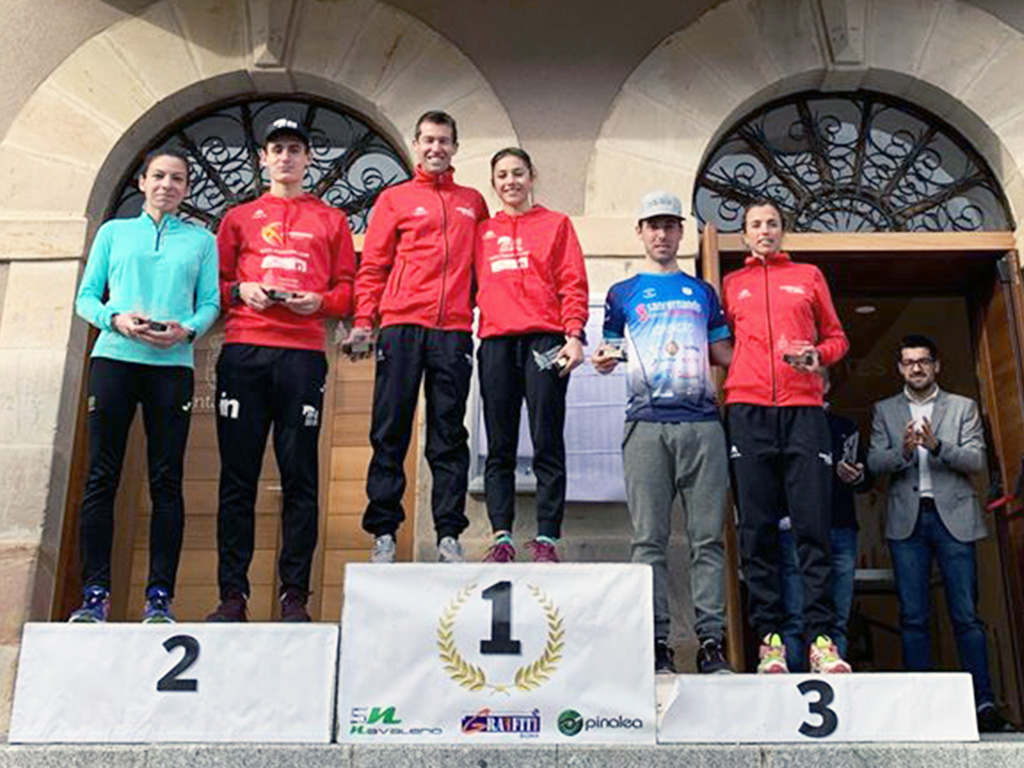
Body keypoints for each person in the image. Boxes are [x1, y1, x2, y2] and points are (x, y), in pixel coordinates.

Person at [206, 117, 355, 622]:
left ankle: (295, 595)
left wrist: (319, 301)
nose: (286, 157)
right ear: (263, 160)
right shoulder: (239, 217)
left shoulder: (332, 220)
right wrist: (236, 292)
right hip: (245, 350)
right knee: (237, 478)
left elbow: (347, 291)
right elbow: (213, 284)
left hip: (302, 356)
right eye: (277, 149)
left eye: (295, 149)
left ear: (309, 159)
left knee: (300, 478)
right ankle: (232, 594)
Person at [70, 147, 219, 622]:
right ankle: (94, 594)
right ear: (142, 182)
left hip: (171, 367)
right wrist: (115, 320)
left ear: (187, 189)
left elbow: (211, 302)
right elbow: (86, 297)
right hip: (114, 360)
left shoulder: (201, 242)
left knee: (166, 480)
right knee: (101, 477)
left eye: (177, 179)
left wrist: (188, 330)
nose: (167, 185)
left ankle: (160, 597)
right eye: (159, 176)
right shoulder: (114, 233)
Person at [593, 191, 733, 674]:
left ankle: (712, 642)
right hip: (646, 425)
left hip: (703, 425)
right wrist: (603, 361)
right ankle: (657, 644)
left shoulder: (703, 292)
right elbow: (610, 356)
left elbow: (726, 356)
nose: (661, 234)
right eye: (653, 226)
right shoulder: (621, 293)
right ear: (640, 232)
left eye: (670, 226)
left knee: (707, 539)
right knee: (648, 540)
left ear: (681, 232)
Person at [345, 110, 488, 564]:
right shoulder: (395, 199)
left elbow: (483, 271)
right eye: (428, 140)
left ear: (455, 147)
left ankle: (448, 533)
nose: (435, 148)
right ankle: (384, 531)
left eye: (444, 141)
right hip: (402, 325)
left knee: (448, 433)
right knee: (390, 428)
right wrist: (365, 319)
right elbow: (373, 265)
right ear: (416, 144)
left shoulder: (473, 202)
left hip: (452, 331)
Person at [723, 198, 852, 674]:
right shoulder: (732, 284)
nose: (764, 231)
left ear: (783, 231)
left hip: (803, 410)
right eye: (755, 224)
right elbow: (720, 342)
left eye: (772, 223)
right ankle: (771, 640)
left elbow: (839, 338)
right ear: (745, 235)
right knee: (755, 529)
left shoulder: (809, 276)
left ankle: (821, 640)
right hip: (748, 408)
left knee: (812, 527)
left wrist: (819, 355)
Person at [867, 334, 1014, 732]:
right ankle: (921, 707)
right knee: (913, 616)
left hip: (954, 519)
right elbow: (873, 462)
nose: (916, 368)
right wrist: (902, 451)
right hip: (906, 522)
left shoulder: (962, 407)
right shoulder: (884, 410)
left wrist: (936, 445)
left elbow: (976, 460)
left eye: (924, 361)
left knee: (966, 615)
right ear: (900, 368)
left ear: (937, 366)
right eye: (908, 362)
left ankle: (982, 702)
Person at [474, 147, 588, 563]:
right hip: (496, 342)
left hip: (545, 340)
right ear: (494, 182)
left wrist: (573, 335)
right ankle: (501, 536)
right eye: (502, 175)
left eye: (517, 173)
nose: (510, 182)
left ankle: (547, 538)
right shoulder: (481, 232)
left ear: (531, 176)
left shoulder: (556, 225)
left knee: (546, 439)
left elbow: (573, 283)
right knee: (499, 443)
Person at [778, 372, 872, 670]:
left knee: (838, 619)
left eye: (818, 379)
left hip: (840, 527)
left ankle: (838, 692)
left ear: (828, 386)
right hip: (797, 529)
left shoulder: (846, 427)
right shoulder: (782, 425)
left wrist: (858, 475)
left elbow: (867, 479)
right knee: (795, 617)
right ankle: (792, 696)